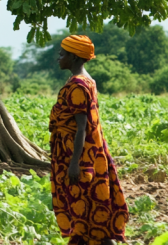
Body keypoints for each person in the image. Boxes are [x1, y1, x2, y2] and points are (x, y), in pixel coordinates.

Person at [49, 35, 129, 245]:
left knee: (84, 212)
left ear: (74, 57)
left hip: (79, 157)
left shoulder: (77, 86)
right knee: (87, 213)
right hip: (88, 154)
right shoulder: (87, 81)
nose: (59, 58)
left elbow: (82, 127)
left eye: (63, 54)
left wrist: (75, 163)